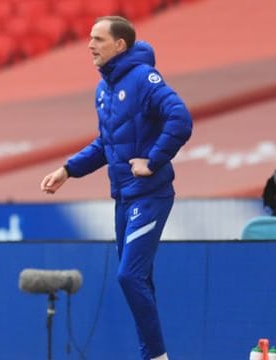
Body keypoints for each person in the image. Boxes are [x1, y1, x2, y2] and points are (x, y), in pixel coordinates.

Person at [40, 16, 192, 360]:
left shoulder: (144, 78)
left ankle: (156, 356)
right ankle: (151, 354)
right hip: (123, 198)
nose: (90, 45)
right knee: (140, 281)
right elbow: (107, 143)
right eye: (90, 38)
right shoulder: (103, 88)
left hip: (150, 195)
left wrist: (152, 161)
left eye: (98, 39)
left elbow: (180, 118)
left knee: (129, 276)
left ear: (119, 45)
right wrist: (68, 170)